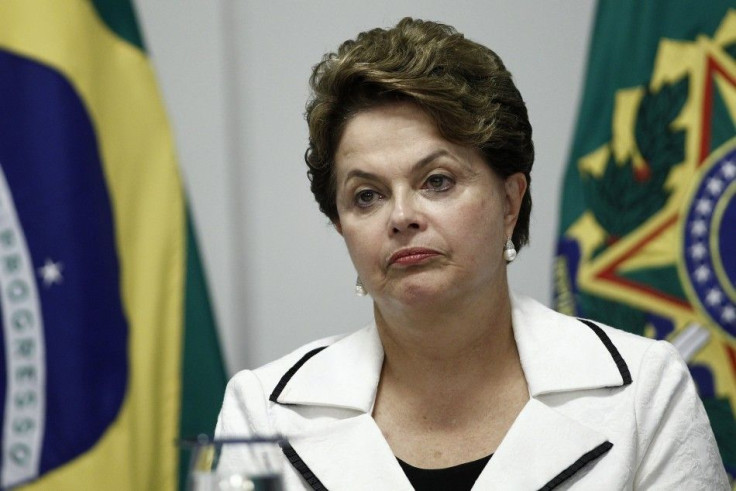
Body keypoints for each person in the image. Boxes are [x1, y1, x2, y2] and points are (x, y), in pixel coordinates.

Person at [216, 17, 729, 490]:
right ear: (340, 226)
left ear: (510, 202)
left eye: (436, 181)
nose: (401, 217)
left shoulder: (644, 390)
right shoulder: (265, 410)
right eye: (366, 195)